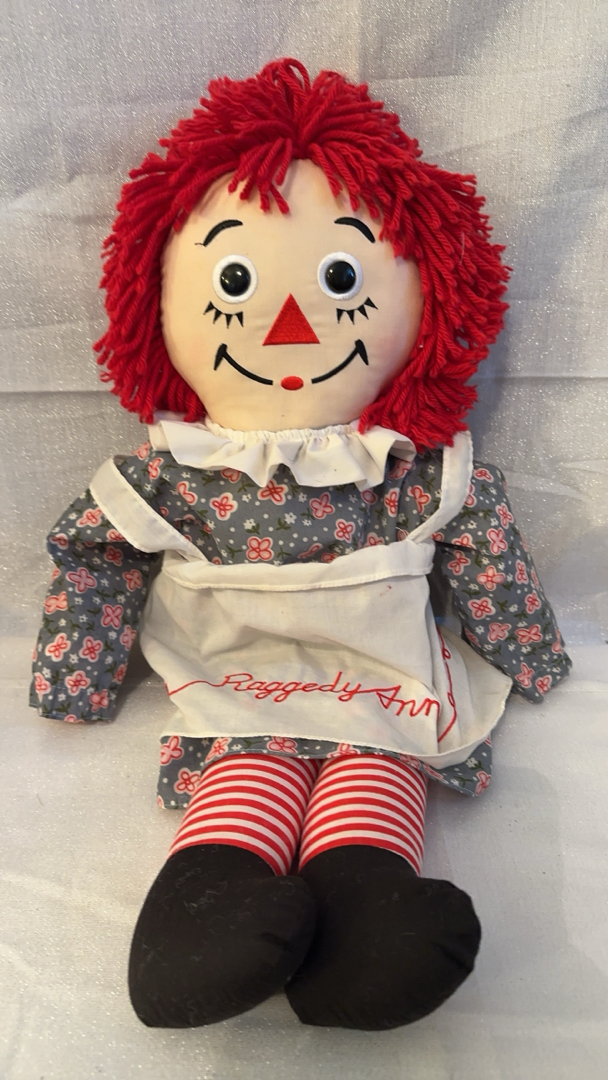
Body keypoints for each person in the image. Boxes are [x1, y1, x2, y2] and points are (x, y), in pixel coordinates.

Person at [31, 58, 570, 1030]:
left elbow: (480, 549)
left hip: (380, 681)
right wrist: (79, 674)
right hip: (234, 685)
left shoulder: (405, 470)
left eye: (338, 280)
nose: (287, 322)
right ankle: (208, 893)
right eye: (234, 280)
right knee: (248, 769)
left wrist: (527, 653)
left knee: (374, 762)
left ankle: (364, 908)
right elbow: (101, 554)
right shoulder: (177, 473)